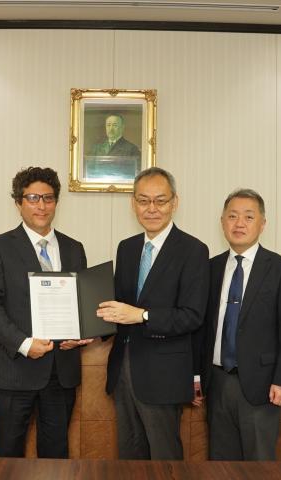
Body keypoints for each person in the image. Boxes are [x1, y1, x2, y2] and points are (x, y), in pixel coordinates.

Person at [0, 167, 90, 458]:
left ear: (56, 202)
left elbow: (82, 304)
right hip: (12, 371)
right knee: (8, 456)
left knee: (56, 457)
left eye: (48, 198)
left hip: (60, 371)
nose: (41, 205)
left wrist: (79, 335)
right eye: (32, 198)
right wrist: (24, 344)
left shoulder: (74, 248)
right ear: (18, 203)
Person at [98, 167, 209, 460]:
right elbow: (119, 307)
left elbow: (192, 315)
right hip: (123, 369)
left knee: (164, 459)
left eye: (160, 201)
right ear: (133, 204)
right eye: (144, 200)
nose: (152, 209)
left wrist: (143, 316)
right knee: (129, 455)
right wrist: (86, 329)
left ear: (175, 202)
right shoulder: (127, 248)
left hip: (164, 375)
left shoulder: (193, 250)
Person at [191, 188, 281, 460]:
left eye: (249, 217)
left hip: (261, 385)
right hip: (216, 381)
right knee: (221, 462)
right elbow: (200, 329)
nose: (239, 223)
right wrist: (195, 379)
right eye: (232, 216)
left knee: (259, 463)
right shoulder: (210, 267)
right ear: (222, 222)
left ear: (263, 224)